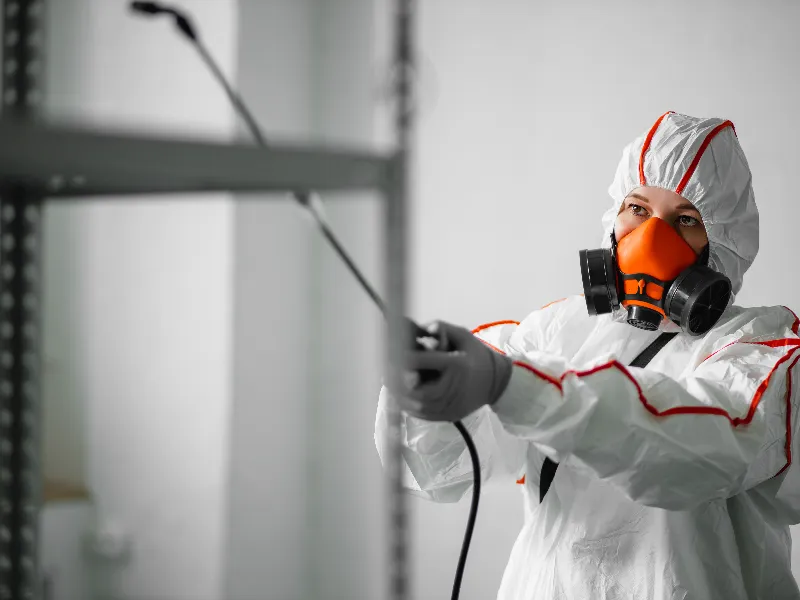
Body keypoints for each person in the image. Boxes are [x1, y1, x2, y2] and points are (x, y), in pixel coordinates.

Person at [375, 111, 800, 599]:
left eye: (685, 219)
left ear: (723, 244)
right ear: (614, 220)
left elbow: (690, 453)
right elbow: (439, 470)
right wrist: (427, 392)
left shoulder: (760, 346)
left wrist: (508, 384)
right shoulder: (558, 331)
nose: (650, 239)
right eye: (637, 209)